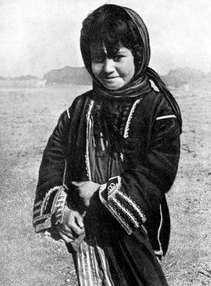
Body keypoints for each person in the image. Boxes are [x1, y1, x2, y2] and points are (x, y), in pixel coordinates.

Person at [33, 4, 182, 286]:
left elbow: (157, 173)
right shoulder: (79, 108)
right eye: (98, 59)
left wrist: (100, 195)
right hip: (85, 231)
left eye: (117, 57)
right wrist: (62, 210)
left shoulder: (158, 109)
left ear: (138, 54)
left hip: (135, 230)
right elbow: (53, 159)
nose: (108, 68)